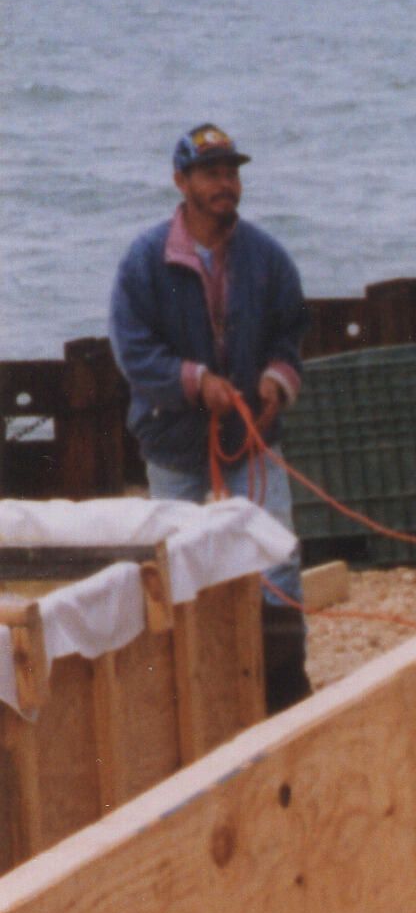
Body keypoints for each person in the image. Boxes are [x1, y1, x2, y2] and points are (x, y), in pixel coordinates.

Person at [111, 124, 310, 706]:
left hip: (252, 440)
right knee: (177, 573)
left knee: (277, 558)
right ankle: (195, 703)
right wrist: (197, 383)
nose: (226, 184)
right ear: (182, 182)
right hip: (173, 446)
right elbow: (133, 352)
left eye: (231, 173)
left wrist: (277, 379)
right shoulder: (144, 261)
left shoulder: (267, 257)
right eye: (211, 174)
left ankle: (285, 697)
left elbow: (292, 332)